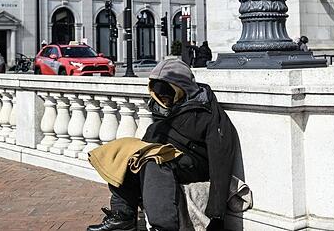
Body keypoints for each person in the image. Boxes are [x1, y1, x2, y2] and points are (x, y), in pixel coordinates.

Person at [87, 59, 237, 231]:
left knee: (154, 160)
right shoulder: (161, 107)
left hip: (195, 162)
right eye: (160, 97)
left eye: (167, 96)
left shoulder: (208, 112)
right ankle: (123, 217)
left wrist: (216, 216)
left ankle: (163, 227)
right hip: (166, 153)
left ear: (180, 89)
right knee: (123, 152)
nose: (163, 101)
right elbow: (149, 140)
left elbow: (221, 161)